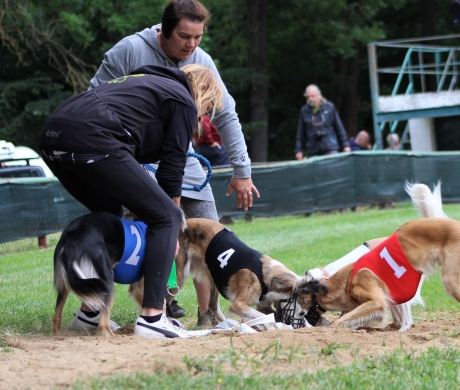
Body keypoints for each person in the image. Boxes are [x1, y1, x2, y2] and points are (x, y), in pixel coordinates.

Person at [88, 0, 260, 327]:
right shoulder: (128, 52)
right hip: (136, 159)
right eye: (184, 36)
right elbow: (94, 103)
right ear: (164, 30)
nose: (191, 45)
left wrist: (242, 171)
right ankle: (121, 310)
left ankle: (209, 315)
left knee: (209, 232)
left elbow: (225, 113)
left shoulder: (201, 60)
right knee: (129, 235)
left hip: (183, 159)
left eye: (198, 38)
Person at [39, 64, 224, 338]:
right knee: (168, 216)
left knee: (109, 214)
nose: (204, 115)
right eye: (208, 107)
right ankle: (153, 318)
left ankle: (90, 312)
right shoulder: (183, 99)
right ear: (204, 89)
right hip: (92, 138)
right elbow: (173, 168)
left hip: (52, 136)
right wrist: (170, 227)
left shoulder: (145, 82)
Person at [295, 84, 351, 159]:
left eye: (312, 96)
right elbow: (300, 133)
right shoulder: (304, 111)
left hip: (330, 149)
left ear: (319, 95)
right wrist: (298, 150)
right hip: (313, 151)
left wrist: (345, 145)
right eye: (308, 97)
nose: (310, 99)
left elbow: (339, 127)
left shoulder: (329, 107)